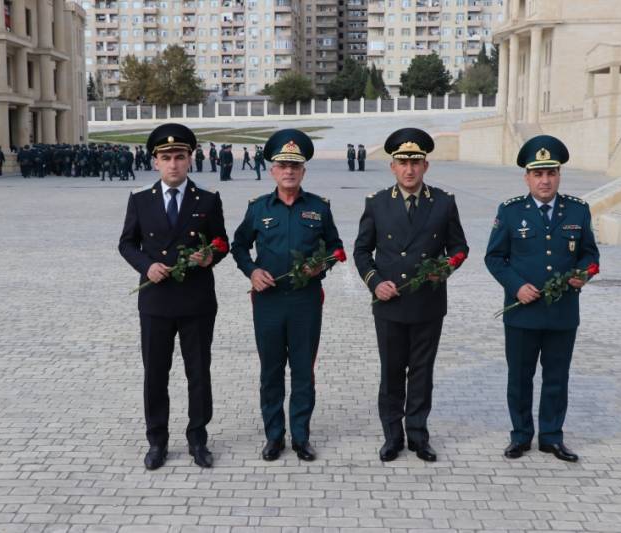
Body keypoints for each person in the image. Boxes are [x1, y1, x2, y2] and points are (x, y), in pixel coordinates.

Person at [353, 128, 469, 462]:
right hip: (389, 304)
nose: (409, 169)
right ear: (392, 166)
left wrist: (445, 268)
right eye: (403, 162)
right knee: (391, 372)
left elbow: (459, 247)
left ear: (425, 166)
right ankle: (392, 435)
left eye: (415, 162)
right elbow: (362, 251)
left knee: (421, 372)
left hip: (428, 304)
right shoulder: (376, 204)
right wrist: (375, 282)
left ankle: (418, 435)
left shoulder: (444, 203)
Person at [118, 123, 229, 470]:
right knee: (155, 374)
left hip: (196, 301)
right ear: (155, 162)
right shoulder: (140, 200)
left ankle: (198, 439)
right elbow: (126, 243)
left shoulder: (208, 200)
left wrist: (209, 256)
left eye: (180, 157)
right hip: (156, 302)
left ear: (190, 159)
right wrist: (147, 266)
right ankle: (157, 440)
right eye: (166, 158)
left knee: (198, 373)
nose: (173, 164)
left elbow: (222, 242)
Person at [484, 135, 599, 463]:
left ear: (559, 175)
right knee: (520, 377)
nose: (545, 180)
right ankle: (520, 436)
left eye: (551, 172)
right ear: (527, 178)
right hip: (522, 312)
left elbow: (590, 254)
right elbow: (494, 258)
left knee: (557, 378)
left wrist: (585, 274)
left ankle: (551, 437)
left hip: (562, 313)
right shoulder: (510, 212)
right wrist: (516, 286)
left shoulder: (577, 210)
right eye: (538, 174)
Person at [232, 129, 344, 462]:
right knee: (270, 370)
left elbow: (336, 247)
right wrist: (251, 271)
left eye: (295, 165)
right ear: (272, 171)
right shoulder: (258, 208)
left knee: (302, 370)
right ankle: (273, 436)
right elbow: (238, 245)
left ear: (304, 171)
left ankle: (301, 437)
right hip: (267, 301)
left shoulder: (319, 209)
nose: (289, 171)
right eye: (282, 165)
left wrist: (320, 268)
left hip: (305, 301)